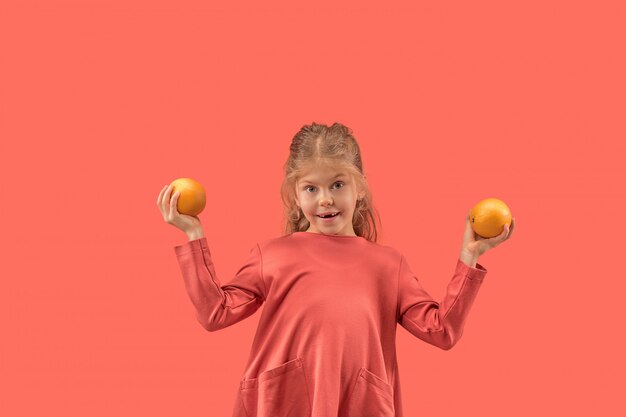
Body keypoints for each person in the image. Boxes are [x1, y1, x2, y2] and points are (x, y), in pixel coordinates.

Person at [156, 122, 515, 417]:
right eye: (311, 188)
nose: (325, 199)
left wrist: (469, 257)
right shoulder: (273, 254)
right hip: (283, 404)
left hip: (359, 406)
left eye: (337, 185)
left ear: (359, 188)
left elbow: (443, 332)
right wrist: (193, 233)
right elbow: (215, 313)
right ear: (295, 196)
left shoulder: (388, 266)